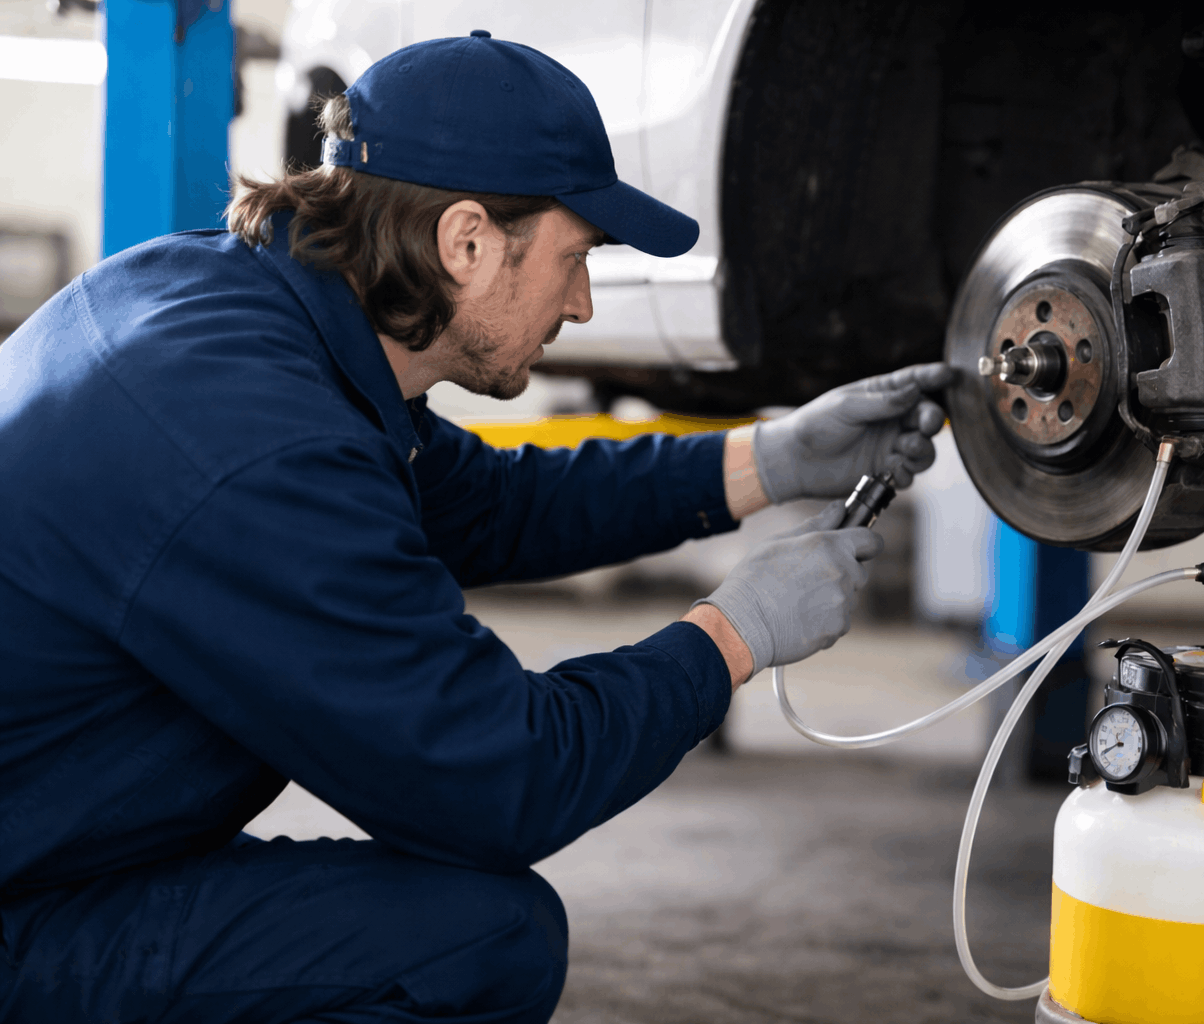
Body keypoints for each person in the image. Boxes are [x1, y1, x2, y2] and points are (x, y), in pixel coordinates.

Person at [0, 33, 952, 1024]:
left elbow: (492, 505)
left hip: (51, 845)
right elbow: (499, 779)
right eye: (572, 258)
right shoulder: (257, 446)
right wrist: (731, 636)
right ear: (465, 240)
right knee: (476, 943)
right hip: (24, 909)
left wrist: (774, 457)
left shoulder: (234, 306)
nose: (581, 302)